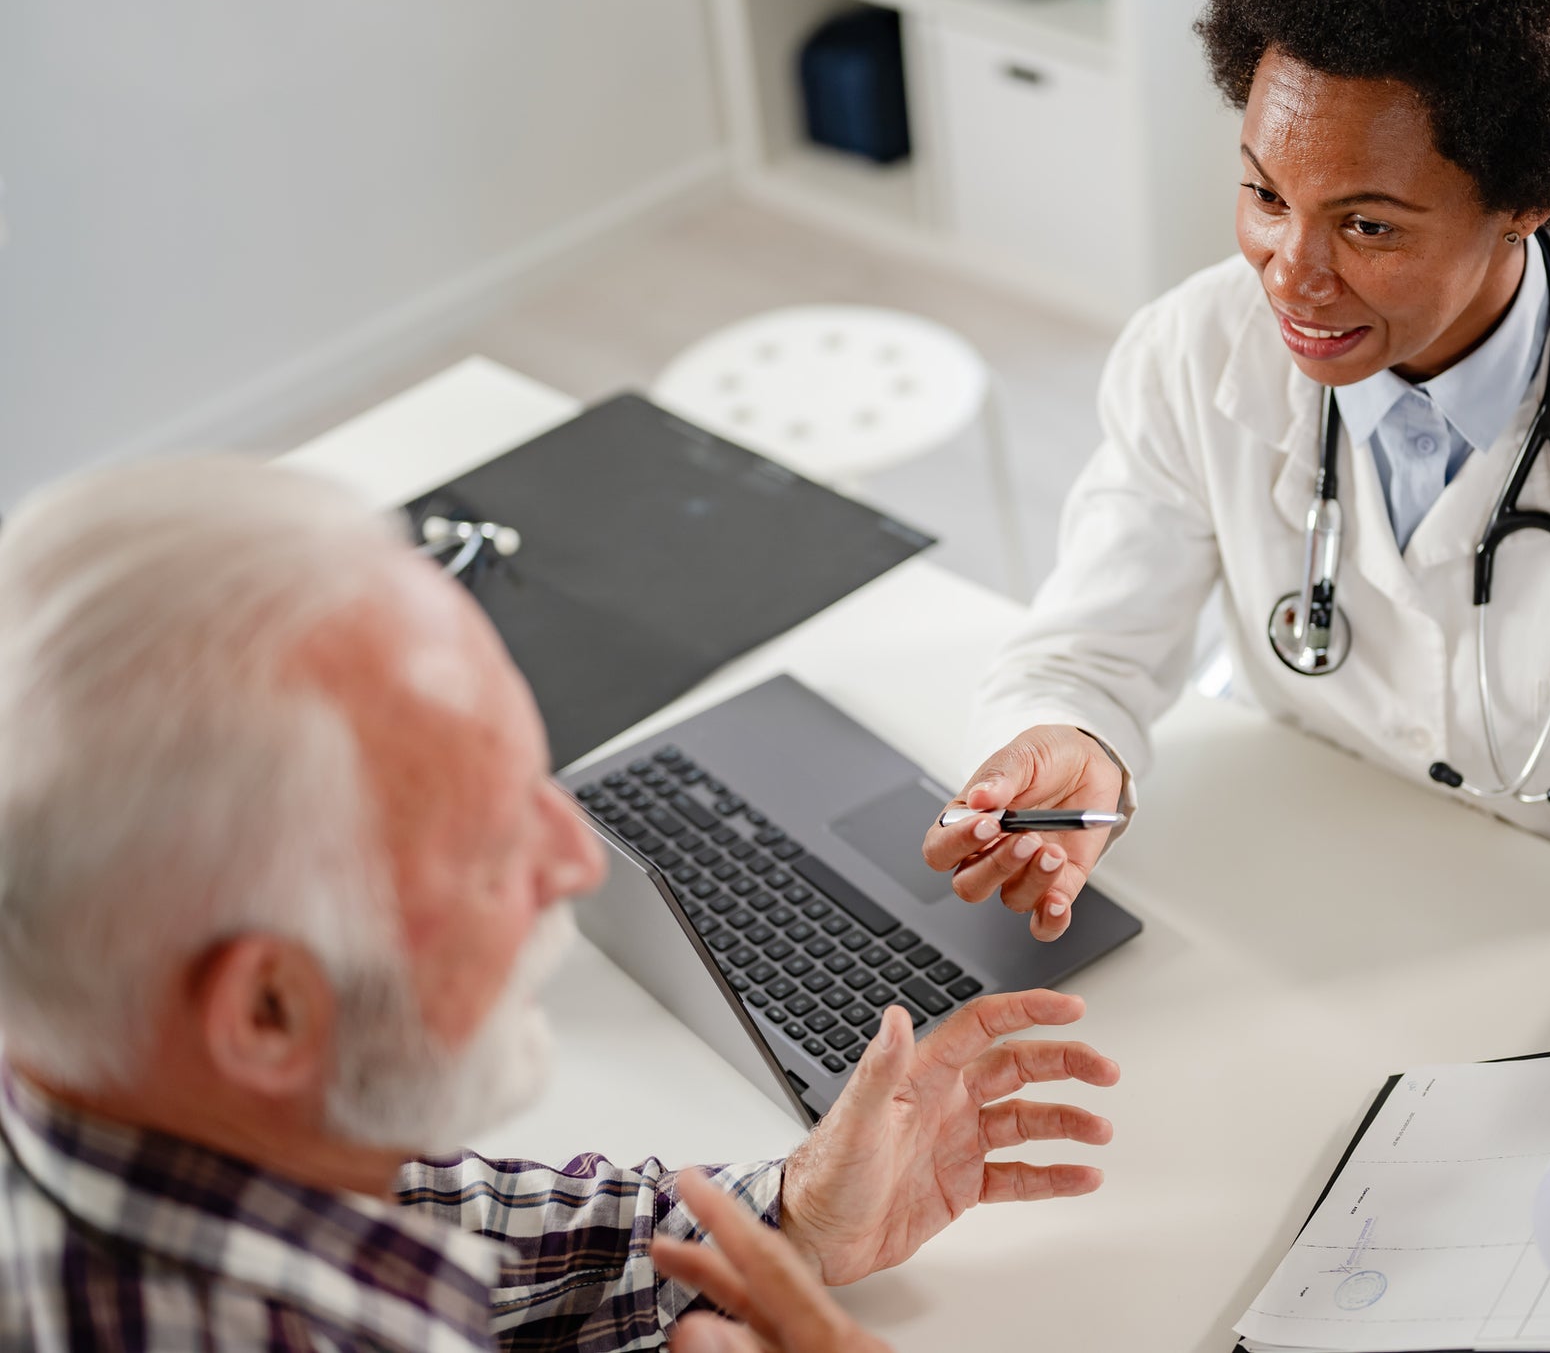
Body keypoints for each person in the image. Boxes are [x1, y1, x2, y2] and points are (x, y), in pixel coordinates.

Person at [923, 0, 1550, 1046]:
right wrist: (1068, 742)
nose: (1289, 275)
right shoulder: (1190, 354)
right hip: (1304, 908)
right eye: (1264, 194)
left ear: (1525, 198)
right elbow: (1087, 652)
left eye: (1364, 224)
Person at [0, 458, 1119, 1352]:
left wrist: (784, 1216)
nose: (576, 862)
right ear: (265, 1012)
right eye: (486, 837)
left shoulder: (135, 1094)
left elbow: (401, 1214)